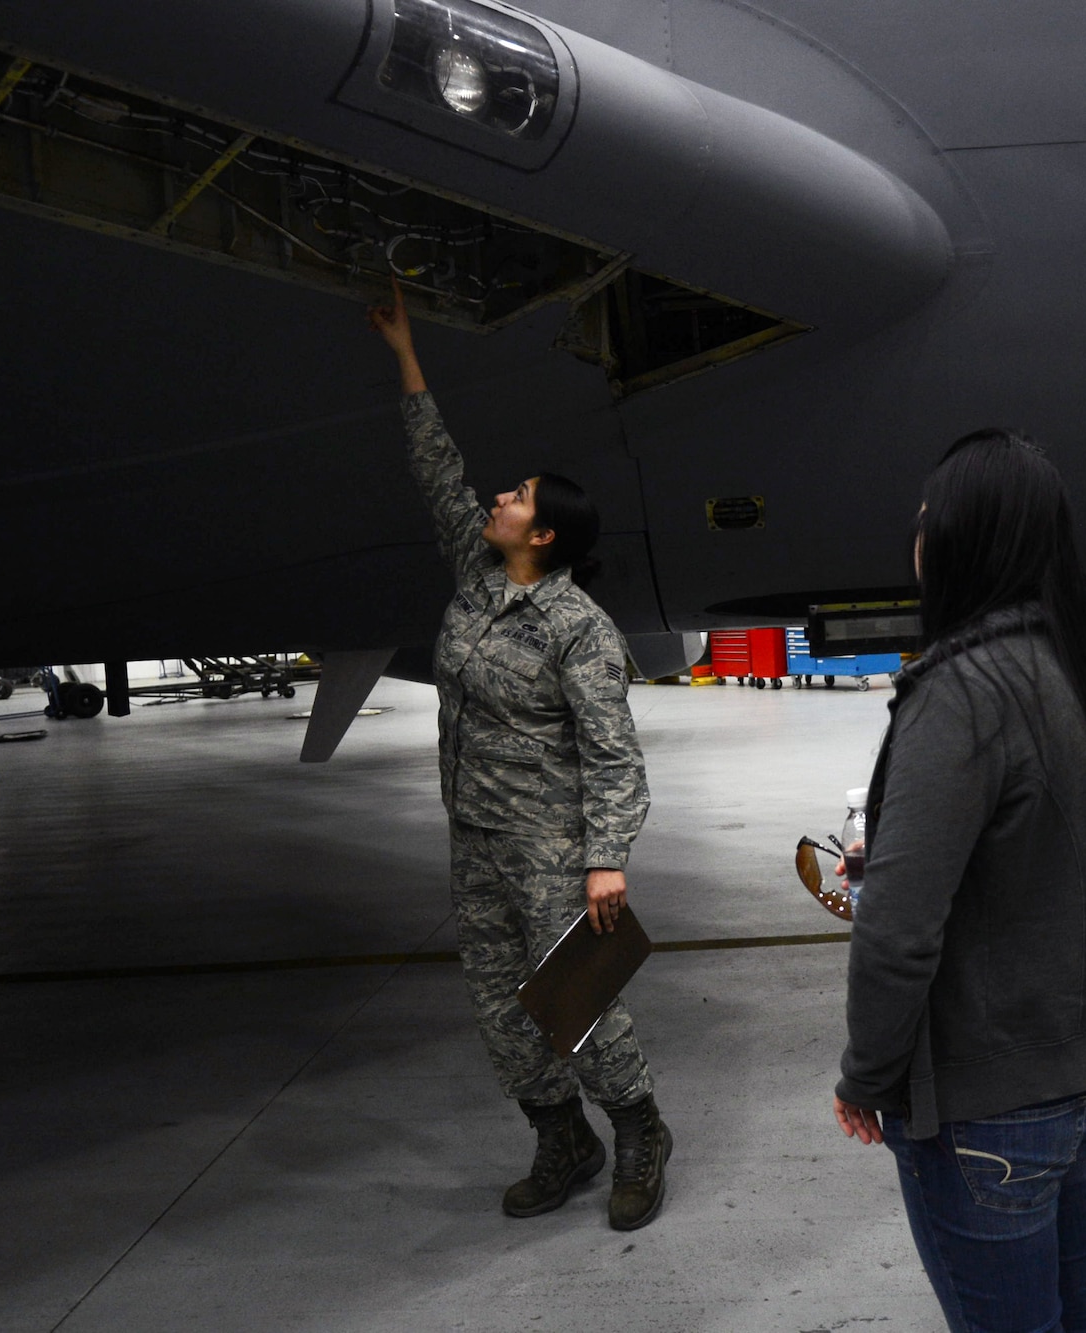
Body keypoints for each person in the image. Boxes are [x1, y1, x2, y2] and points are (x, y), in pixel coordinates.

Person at [832, 428, 1086, 1332]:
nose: (917, 537)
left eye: (929, 520)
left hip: (993, 1102)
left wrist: (869, 1074)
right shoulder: (1084, 671)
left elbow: (897, 929)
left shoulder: (962, 690)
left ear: (965, 540)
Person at [367, 280, 671, 1231]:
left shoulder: (575, 626)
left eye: (518, 497)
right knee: (503, 1013)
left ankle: (639, 1130)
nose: (498, 496)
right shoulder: (476, 569)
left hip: (551, 848)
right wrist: (406, 354)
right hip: (478, 841)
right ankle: (561, 1140)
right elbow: (437, 469)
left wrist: (605, 857)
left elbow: (615, 753)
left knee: (574, 1005)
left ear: (543, 535)